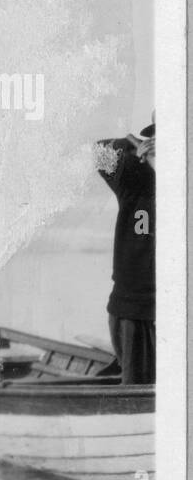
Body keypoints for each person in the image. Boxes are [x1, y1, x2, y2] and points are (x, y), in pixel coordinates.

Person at [96, 114, 155, 384]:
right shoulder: (136, 179)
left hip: (167, 309)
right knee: (138, 382)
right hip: (132, 307)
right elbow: (100, 152)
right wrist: (131, 148)